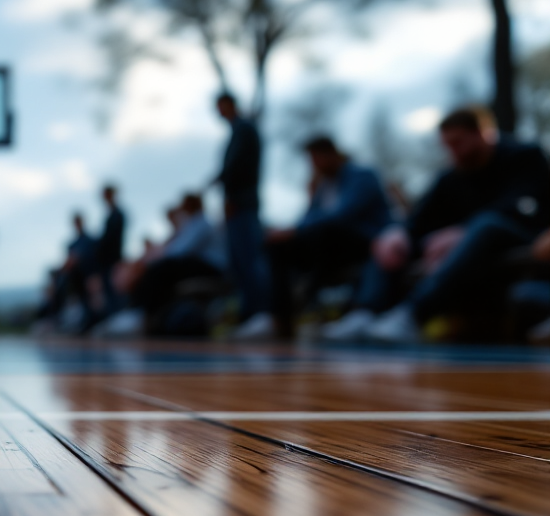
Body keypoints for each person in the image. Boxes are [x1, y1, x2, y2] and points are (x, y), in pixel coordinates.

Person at [326, 107, 550, 343]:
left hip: (524, 237)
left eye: (458, 142)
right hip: (470, 242)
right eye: (447, 145)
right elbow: (421, 219)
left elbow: (522, 206)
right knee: (390, 238)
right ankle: (364, 312)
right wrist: (400, 233)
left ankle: (413, 314)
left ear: (483, 133)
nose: (453, 151)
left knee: (486, 225)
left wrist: (461, 231)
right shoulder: (452, 175)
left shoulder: (525, 157)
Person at [240, 137, 392, 340]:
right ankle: (278, 319)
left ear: (331, 154)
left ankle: (325, 306)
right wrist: (287, 232)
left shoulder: (362, 176)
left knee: (323, 233)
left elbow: (342, 214)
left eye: (316, 158)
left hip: (366, 242)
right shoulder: (323, 185)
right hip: (328, 243)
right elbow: (308, 218)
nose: (314, 164)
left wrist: (296, 230)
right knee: (276, 245)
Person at [212, 93, 271, 338]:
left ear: (231, 105)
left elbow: (238, 168)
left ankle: (261, 314)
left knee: (249, 260)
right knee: (239, 262)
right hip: (238, 205)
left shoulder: (244, 129)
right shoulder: (240, 130)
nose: (219, 112)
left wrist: (231, 197)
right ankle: (249, 314)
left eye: (222, 107)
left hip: (242, 205)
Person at [126, 194, 227, 327]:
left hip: (212, 267)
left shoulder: (201, 223)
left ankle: (144, 315)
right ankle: (143, 313)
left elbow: (178, 251)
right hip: (203, 265)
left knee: (161, 269)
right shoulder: (194, 223)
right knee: (159, 269)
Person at [95, 185, 127, 317]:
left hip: (113, 259)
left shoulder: (117, 214)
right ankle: (114, 318)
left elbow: (112, 239)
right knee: (109, 292)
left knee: (114, 291)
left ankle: (118, 318)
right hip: (108, 259)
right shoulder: (112, 214)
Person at [63, 212, 98, 328]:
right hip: (77, 280)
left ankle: (91, 321)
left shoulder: (90, 241)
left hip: (90, 277)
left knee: (92, 303)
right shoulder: (72, 244)